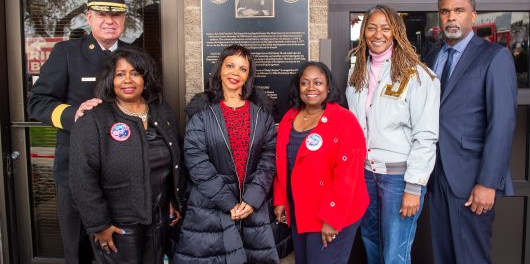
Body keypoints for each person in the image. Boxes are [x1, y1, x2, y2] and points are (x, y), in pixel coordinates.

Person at [27, 0, 133, 263]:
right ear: (88, 17)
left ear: (124, 19)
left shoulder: (135, 56)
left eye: (117, 15)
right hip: (76, 170)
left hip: (123, 173)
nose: (109, 21)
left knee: (121, 249)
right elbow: (37, 102)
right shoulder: (67, 53)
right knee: (80, 250)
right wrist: (73, 113)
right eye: (101, 15)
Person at [425, 0, 517, 264]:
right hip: (435, 175)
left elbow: (502, 122)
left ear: (473, 17)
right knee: (443, 255)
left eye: (459, 11)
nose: (451, 18)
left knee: (470, 258)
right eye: (445, 12)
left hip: (471, 179)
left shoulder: (494, 57)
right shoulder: (431, 58)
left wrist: (488, 182)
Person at [69, 46, 186, 263]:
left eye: (135, 73)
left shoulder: (161, 110)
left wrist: (171, 198)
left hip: (159, 218)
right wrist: (99, 224)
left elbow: (175, 158)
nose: (128, 80)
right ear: (109, 80)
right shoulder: (94, 119)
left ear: (145, 78)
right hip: (118, 226)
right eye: (120, 74)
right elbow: (81, 177)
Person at [346, 5, 440, 264]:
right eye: (372, 27)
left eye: (386, 28)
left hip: (399, 180)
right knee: (372, 245)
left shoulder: (418, 75)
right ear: (364, 32)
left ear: (397, 33)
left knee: (394, 255)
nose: (378, 34)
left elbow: (426, 135)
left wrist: (414, 186)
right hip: (366, 175)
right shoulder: (358, 74)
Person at [172, 44, 279, 263]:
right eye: (230, 65)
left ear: (249, 75)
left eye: (243, 68)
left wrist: (252, 199)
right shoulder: (202, 112)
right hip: (210, 206)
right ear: (220, 68)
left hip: (252, 207)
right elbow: (195, 159)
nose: (235, 73)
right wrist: (228, 203)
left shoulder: (261, 114)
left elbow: (269, 158)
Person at [274, 61, 370, 264]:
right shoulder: (289, 118)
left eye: (318, 82)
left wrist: (333, 218)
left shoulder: (344, 120)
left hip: (333, 213)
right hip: (301, 210)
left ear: (328, 87)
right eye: (305, 83)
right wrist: (281, 199)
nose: (311, 88)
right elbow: (283, 163)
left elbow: (348, 174)